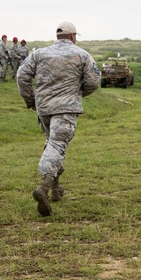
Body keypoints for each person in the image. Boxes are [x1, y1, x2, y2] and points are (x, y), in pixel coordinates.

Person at [17, 21, 100, 217]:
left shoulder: (39, 54)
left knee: (52, 144)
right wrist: (77, 94)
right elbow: (94, 81)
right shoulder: (81, 54)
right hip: (65, 108)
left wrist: (31, 99)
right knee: (56, 145)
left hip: (44, 108)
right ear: (73, 37)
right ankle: (43, 187)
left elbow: (22, 75)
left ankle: (56, 189)